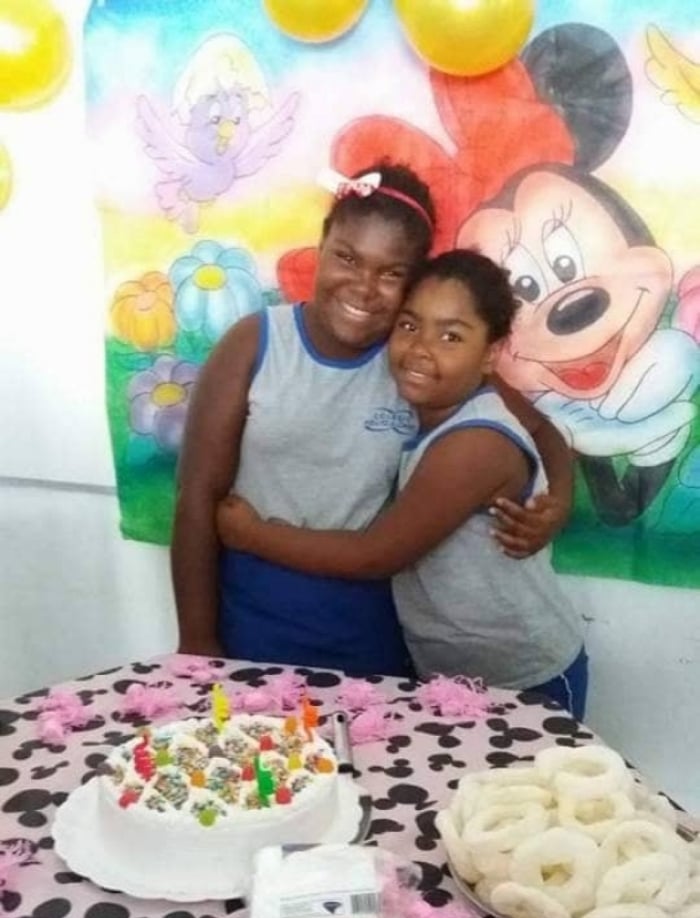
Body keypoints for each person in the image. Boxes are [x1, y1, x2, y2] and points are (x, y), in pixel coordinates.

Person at [172, 162, 573, 678]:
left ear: (413, 281)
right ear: (321, 248)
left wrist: (556, 504)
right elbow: (197, 495)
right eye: (347, 257)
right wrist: (197, 639)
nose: (363, 287)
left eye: (391, 273)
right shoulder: (255, 343)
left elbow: (540, 431)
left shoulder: (416, 361)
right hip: (252, 615)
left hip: (372, 628)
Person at [217, 249, 587, 718]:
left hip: (525, 680)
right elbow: (542, 430)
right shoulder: (445, 404)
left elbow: (376, 555)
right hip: (452, 679)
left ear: (491, 354)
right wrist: (559, 498)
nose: (421, 349)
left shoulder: (474, 444)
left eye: (451, 336)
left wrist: (252, 534)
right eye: (410, 325)